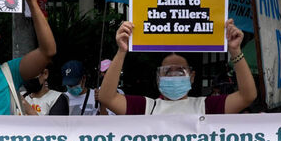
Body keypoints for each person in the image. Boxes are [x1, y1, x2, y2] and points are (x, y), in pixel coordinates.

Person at [99, 19, 257, 115]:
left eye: (180, 71)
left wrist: (235, 51)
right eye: (167, 72)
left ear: (192, 76)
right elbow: (107, 98)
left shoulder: (207, 106)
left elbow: (247, 96)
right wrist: (121, 51)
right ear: (158, 78)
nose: (174, 75)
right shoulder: (145, 107)